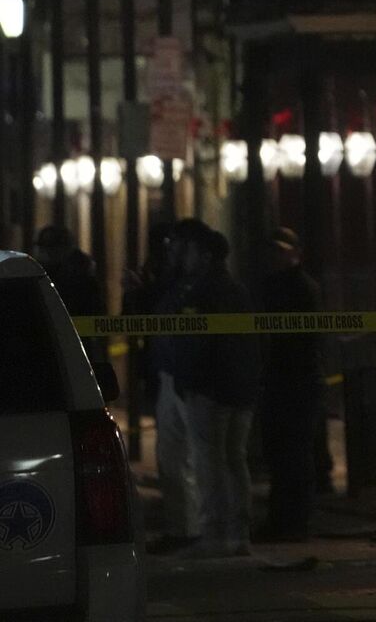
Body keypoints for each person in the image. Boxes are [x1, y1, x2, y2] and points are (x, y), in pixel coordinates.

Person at [171, 220, 261, 558]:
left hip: (210, 389)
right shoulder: (238, 289)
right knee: (235, 460)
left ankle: (214, 534)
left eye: (191, 252)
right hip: (240, 389)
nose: (185, 257)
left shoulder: (202, 292)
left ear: (205, 255)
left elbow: (196, 344)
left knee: (209, 462)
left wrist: (189, 381)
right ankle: (239, 534)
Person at [127, 222, 201, 554]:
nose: (172, 253)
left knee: (194, 456)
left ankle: (198, 528)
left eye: (178, 246)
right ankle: (182, 527)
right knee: (171, 455)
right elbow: (143, 311)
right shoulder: (171, 283)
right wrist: (137, 291)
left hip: (189, 378)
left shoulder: (198, 285)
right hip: (168, 373)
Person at [255, 227, 323, 542]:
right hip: (278, 380)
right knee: (279, 454)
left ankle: (294, 521)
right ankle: (281, 519)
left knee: (295, 455)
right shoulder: (271, 286)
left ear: (296, 253)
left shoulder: (302, 288)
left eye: (282, 250)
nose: (276, 256)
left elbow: (302, 342)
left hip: (297, 382)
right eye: (273, 251)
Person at [33, 225, 114, 396]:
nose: (46, 253)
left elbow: (96, 316)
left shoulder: (78, 279)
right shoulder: (38, 277)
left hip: (72, 355)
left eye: (51, 248)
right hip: (52, 355)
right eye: (44, 248)